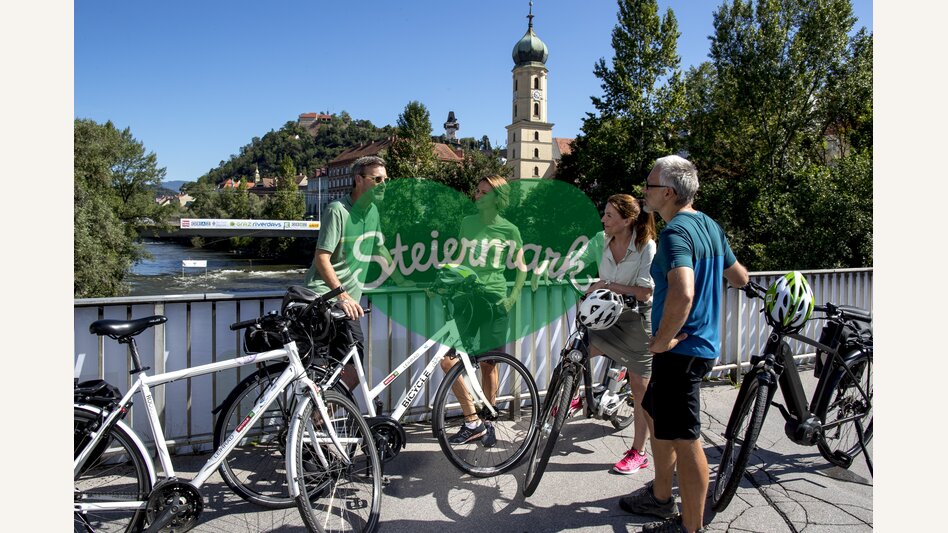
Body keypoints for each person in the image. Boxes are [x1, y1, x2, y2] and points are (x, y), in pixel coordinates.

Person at [619, 155, 748, 533]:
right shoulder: (709, 225)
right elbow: (739, 277)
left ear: (669, 193)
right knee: (656, 413)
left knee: (688, 439)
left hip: (681, 351)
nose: (644, 191)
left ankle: (691, 528)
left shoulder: (676, 233)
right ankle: (660, 496)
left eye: (650, 185)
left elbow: (683, 291)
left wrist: (661, 340)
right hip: (697, 345)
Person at [304, 155, 409, 390]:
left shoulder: (372, 212)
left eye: (386, 179)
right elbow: (321, 258)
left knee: (351, 367)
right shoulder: (337, 210)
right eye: (377, 179)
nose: (384, 184)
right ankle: (312, 418)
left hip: (349, 304)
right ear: (359, 180)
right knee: (326, 366)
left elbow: (380, 249)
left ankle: (321, 417)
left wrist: (404, 281)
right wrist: (341, 296)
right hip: (325, 299)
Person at [440, 175, 527, 446]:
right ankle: (472, 420)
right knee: (448, 361)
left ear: (497, 198)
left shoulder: (509, 230)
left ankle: (488, 422)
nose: (477, 196)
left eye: (483, 192)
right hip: (468, 301)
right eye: (477, 191)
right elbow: (459, 258)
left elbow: (522, 266)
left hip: (495, 302)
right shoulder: (467, 223)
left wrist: (512, 297)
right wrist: (443, 277)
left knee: (489, 365)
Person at [578, 194, 657, 475]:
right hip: (605, 314)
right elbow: (572, 261)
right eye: (604, 214)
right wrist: (545, 272)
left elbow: (646, 292)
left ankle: (639, 452)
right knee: (576, 352)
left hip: (636, 319)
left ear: (627, 220)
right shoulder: (601, 240)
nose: (603, 219)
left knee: (641, 389)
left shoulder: (646, 246)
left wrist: (607, 285)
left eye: (610, 215)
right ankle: (575, 393)